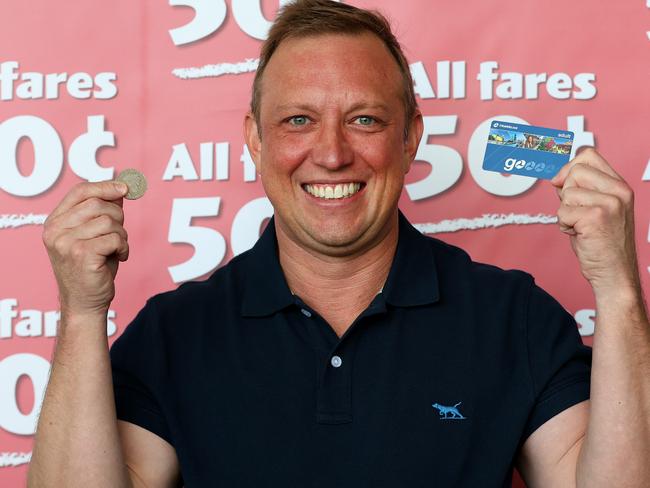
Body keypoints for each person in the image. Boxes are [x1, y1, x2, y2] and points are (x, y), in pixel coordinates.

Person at [29, 0, 650, 486]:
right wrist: (82, 313)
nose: (331, 154)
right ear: (256, 140)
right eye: (298, 120)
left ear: (411, 137)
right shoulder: (174, 331)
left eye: (365, 120)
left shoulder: (513, 318)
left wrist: (618, 290)